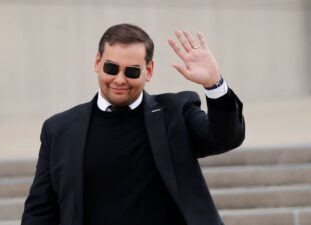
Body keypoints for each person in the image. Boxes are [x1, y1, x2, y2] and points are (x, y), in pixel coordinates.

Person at [21, 23, 245, 225]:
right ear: (97, 62)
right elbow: (40, 210)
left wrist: (214, 84)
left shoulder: (176, 112)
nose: (119, 79)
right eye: (111, 68)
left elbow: (225, 138)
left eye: (131, 71)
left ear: (148, 71)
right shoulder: (59, 129)